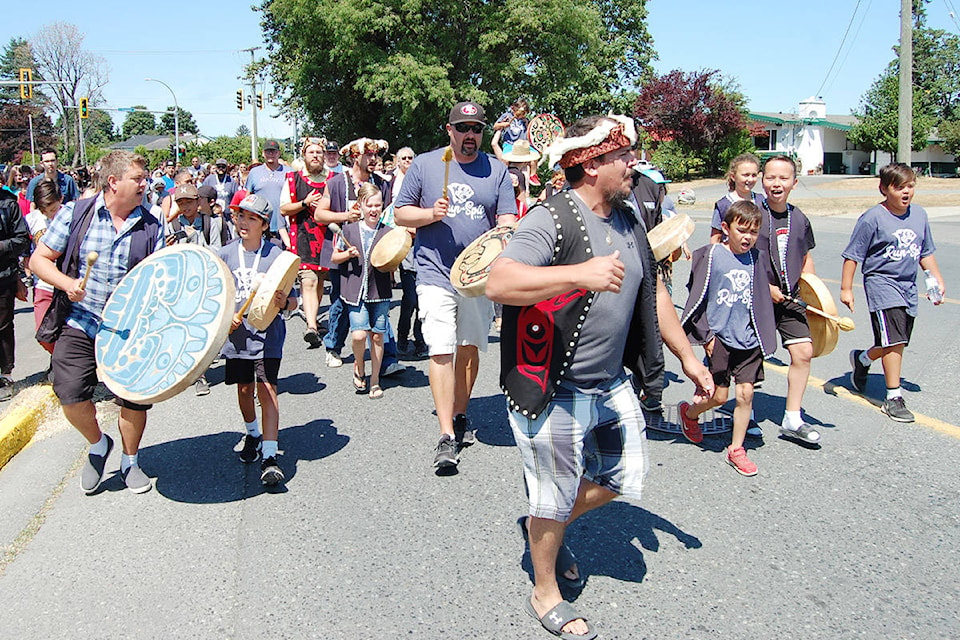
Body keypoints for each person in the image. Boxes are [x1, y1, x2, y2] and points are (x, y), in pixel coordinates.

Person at [486, 114, 712, 639]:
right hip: (551, 388)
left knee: (625, 477)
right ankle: (546, 591)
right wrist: (578, 274)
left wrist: (688, 358)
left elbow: (654, 294)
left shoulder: (630, 218)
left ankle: (547, 524)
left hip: (611, 384)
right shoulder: (551, 217)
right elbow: (499, 282)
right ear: (590, 163)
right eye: (623, 156)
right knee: (551, 496)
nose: (633, 163)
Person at [394, 100, 517, 469]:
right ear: (449, 130)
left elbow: (507, 219)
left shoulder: (495, 170)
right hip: (433, 272)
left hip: (477, 279)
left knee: (468, 349)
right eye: (463, 129)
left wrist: (505, 241)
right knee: (441, 349)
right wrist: (430, 214)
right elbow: (400, 213)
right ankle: (446, 434)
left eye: (477, 129)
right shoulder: (427, 164)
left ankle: (461, 413)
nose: (470, 136)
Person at [30, 151, 162, 493]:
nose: (144, 184)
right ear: (114, 182)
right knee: (70, 393)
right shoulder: (75, 214)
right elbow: (38, 260)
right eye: (138, 178)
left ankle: (130, 461)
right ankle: (98, 443)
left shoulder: (151, 225)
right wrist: (68, 284)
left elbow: (159, 279)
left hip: (130, 327)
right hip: (81, 319)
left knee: (132, 399)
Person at [678, 200, 776, 477]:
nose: (747, 237)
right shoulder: (711, 256)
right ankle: (690, 414)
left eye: (753, 232)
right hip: (720, 336)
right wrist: (706, 334)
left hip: (748, 336)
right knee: (720, 397)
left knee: (745, 393)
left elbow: (762, 291)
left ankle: (736, 449)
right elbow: (697, 294)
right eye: (741, 230)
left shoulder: (757, 258)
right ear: (725, 228)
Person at [842, 163, 945, 423]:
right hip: (881, 284)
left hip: (908, 286)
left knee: (896, 340)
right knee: (894, 340)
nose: (906, 192)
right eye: (899, 187)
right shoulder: (873, 218)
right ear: (884, 189)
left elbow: (925, 252)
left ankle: (863, 359)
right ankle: (893, 397)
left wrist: (936, 279)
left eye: (910, 186)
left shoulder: (919, 215)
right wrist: (846, 288)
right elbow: (852, 255)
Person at [220, 194, 297, 487]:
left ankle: (269, 455)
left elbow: (293, 301)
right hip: (237, 338)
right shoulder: (225, 254)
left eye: (251, 218)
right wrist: (227, 316)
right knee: (243, 390)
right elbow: (216, 295)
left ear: (264, 225)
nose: (243, 222)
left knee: (267, 390)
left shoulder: (277, 257)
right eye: (241, 216)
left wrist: (285, 301)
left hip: (268, 337)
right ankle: (252, 433)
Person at [756, 156, 821, 444]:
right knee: (748, 360)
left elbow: (806, 258)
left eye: (784, 178)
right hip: (756, 298)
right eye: (771, 177)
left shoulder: (800, 219)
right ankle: (742, 415)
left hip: (791, 299)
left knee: (803, 352)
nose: (776, 183)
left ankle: (792, 419)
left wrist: (812, 292)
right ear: (762, 180)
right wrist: (764, 286)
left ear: (794, 183)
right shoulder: (751, 214)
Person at [314, 137, 393, 369]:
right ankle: (333, 347)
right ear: (355, 157)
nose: (373, 159)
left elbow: (388, 214)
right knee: (340, 301)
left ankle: (388, 358)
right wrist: (345, 217)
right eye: (368, 155)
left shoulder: (381, 183)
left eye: (375, 155)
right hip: (345, 251)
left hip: (375, 252)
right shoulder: (338, 182)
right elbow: (320, 215)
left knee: (380, 303)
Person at [330, 184, 393, 400]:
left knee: (377, 336)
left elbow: (394, 260)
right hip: (355, 290)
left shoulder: (388, 232)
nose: (374, 209)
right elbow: (334, 257)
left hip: (380, 290)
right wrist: (347, 253)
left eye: (378, 205)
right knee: (358, 334)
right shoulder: (347, 230)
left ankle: (374, 380)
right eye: (370, 205)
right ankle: (359, 365)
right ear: (360, 206)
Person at [280, 137, 330, 347]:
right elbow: (284, 208)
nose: (316, 156)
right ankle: (310, 326)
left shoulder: (333, 179)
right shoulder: (293, 179)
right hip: (303, 237)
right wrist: (304, 202)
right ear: (304, 155)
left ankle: (314, 320)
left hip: (327, 238)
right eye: (311, 152)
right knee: (308, 281)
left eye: (319, 152)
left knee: (319, 282)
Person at [26, 179, 67, 355]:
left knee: (67, 333)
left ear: (61, 199)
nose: (50, 215)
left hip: (65, 283)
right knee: (43, 333)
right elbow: (25, 248)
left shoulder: (70, 216)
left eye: (53, 209)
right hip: (43, 284)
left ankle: (64, 366)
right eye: (46, 211)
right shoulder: (32, 219)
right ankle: (60, 361)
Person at [0, 181, 30, 400]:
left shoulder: (8, 204)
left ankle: (5, 374)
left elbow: (22, 240)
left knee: (2, 326)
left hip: (3, 276)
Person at [709, 153, 764, 243]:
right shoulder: (723, 205)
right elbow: (716, 237)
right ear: (733, 177)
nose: (750, 179)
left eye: (754, 175)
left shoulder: (761, 201)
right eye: (746, 175)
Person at [246, 140, 291, 248]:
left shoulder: (289, 172)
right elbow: (248, 197)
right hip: (260, 225)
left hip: (284, 226)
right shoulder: (254, 172)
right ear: (263, 153)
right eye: (268, 151)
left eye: (274, 151)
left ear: (279, 153)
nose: (271, 154)